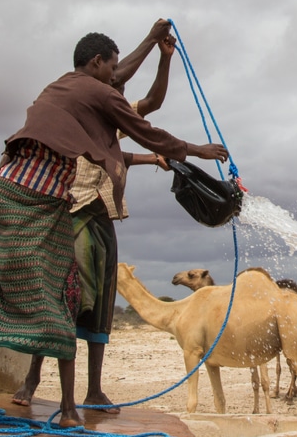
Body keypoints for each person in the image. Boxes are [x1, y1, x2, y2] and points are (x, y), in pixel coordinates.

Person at [0, 25, 228, 427]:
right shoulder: (100, 94)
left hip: (6, 191)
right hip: (46, 202)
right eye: (112, 67)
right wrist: (197, 151)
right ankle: (69, 410)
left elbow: (133, 97)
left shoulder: (63, 88)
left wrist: (157, 43)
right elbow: (146, 129)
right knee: (63, 294)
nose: (116, 75)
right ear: (98, 63)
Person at [12, 21, 177, 413]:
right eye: (112, 78)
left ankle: (94, 390)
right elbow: (121, 84)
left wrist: (164, 60)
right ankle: (32, 379)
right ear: (99, 67)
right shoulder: (86, 110)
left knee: (100, 304)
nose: (117, 88)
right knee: (63, 298)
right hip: (75, 211)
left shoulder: (111, 114)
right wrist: (152, 40)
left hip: (104, 216)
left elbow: (150, 105)